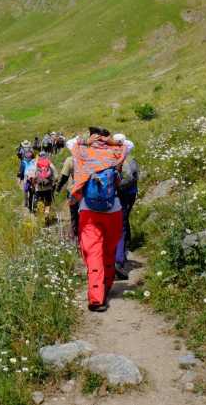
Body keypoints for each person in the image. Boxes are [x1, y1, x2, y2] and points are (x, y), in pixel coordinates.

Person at [67, 127, 134, 312]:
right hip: (114, 210)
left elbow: (70, 142)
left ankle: (96, 298)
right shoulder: (116, 151)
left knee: (93, 252)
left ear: (92, 136)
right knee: (109, 251)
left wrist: (86, 142)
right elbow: (129, 143)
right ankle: (107, 285)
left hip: (88, 211)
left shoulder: (82, 151)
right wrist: (111, 142)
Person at [113, 133, 140, 280]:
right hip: (128, 195)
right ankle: (120, 258)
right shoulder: (130, 159)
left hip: (118, 195)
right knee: (122, 224)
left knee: (120, 224)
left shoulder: (112, 158)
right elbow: (134, 178)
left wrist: (115, 188)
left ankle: (119, 255)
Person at [56, 154, 79, 241]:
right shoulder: (89, 157)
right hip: (87, 191)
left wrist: (58, 189)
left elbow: (64, 177)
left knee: (74, 215)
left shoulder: (70, 160)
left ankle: (74, 236)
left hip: (73, 191)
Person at [32, 151, 57, 219]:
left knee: (40, 201)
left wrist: (34, 185)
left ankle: (41, 216)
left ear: (39, 156)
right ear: (46, 156)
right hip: (48, 187)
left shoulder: (36, 164)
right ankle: (46, 213)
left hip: (39, 188)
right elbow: (56, 176)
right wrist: (54, 183)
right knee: (48, 202)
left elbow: (32, 176)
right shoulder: (49, 163)